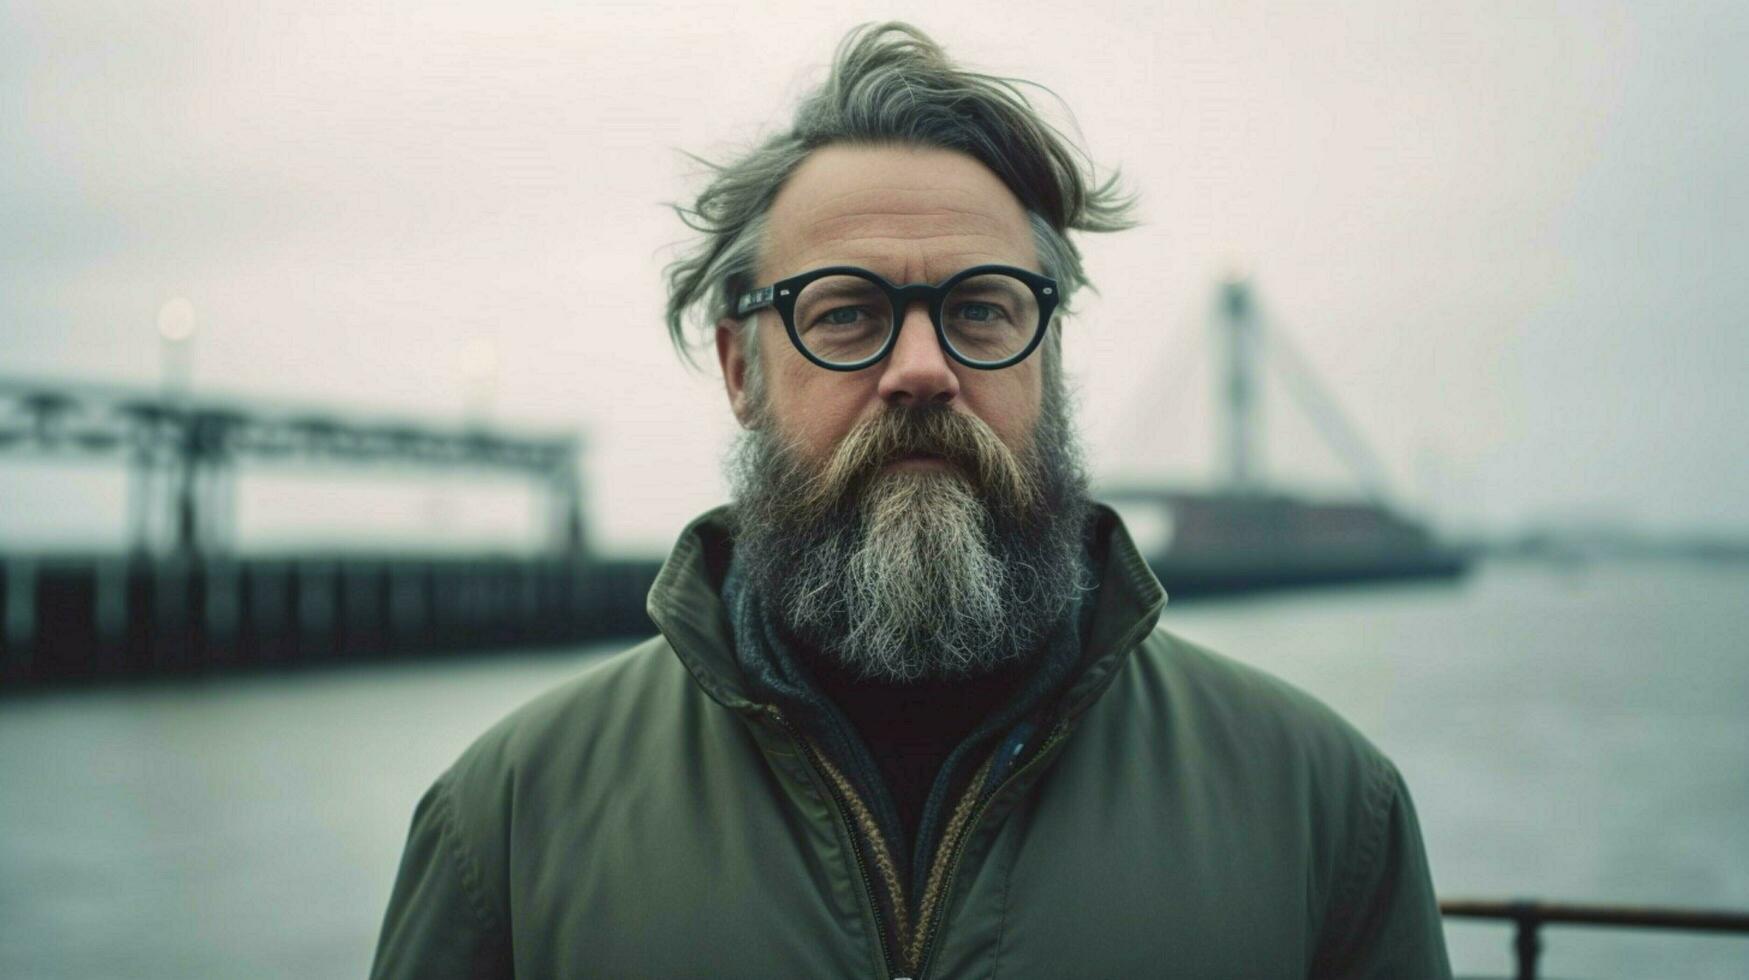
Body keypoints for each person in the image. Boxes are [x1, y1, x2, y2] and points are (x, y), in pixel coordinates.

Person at [371, 22, 1451, 979]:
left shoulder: (1323, 806)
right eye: (845, 313)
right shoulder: (507, 822)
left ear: (1050, 354)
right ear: (742, 369)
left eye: (983, 310)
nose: (924, 367)